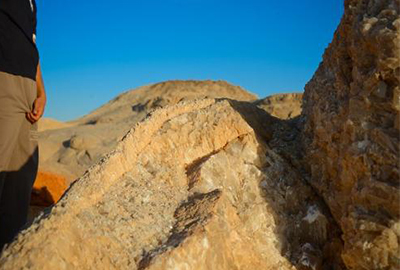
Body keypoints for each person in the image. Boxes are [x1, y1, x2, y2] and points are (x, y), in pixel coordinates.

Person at [0, 0, 46, 250]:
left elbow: (31, 43)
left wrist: (41, 91)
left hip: (28, 93)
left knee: (20, 181)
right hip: (2, 81)